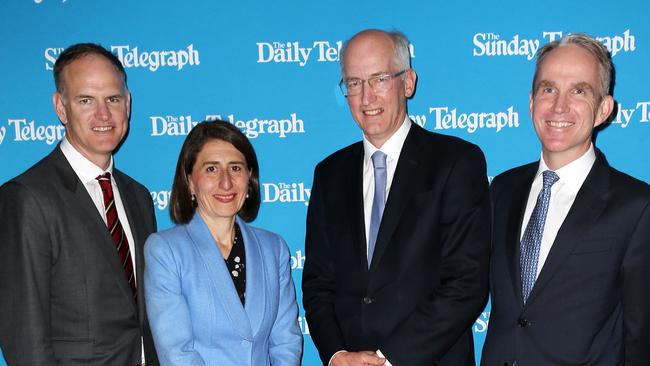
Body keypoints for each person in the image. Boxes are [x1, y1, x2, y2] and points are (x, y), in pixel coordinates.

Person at [302, 29, 491, 366]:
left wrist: (389, 360)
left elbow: (466, 282)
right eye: (354, 83)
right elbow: (318, 283)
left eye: (379, 79)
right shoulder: (328, 173)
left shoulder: (456, 162)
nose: (366, 97)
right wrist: (336, 354)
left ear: (408, 83)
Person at [481, 34, 650, 365]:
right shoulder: (501, 190)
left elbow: (641, 335)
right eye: (548, 89)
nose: (559, 106)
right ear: (531, 102)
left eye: (579, 91)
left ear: (604, 109)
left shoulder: (636, 207)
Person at [0, 43, 158, 365]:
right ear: (61, 108)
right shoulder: (27, 197)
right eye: (86, 100)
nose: (103, 114)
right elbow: (24, 335)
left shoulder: (138, 197)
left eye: (112, 99)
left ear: (127, 104)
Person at [144, 120, 303, 365]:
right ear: (190, 181)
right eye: (211, 169)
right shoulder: (166, 251)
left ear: (249, 178)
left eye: (236, 168)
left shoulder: (274, 249)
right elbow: (177, 353)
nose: (226, 182)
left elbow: (286, 342)